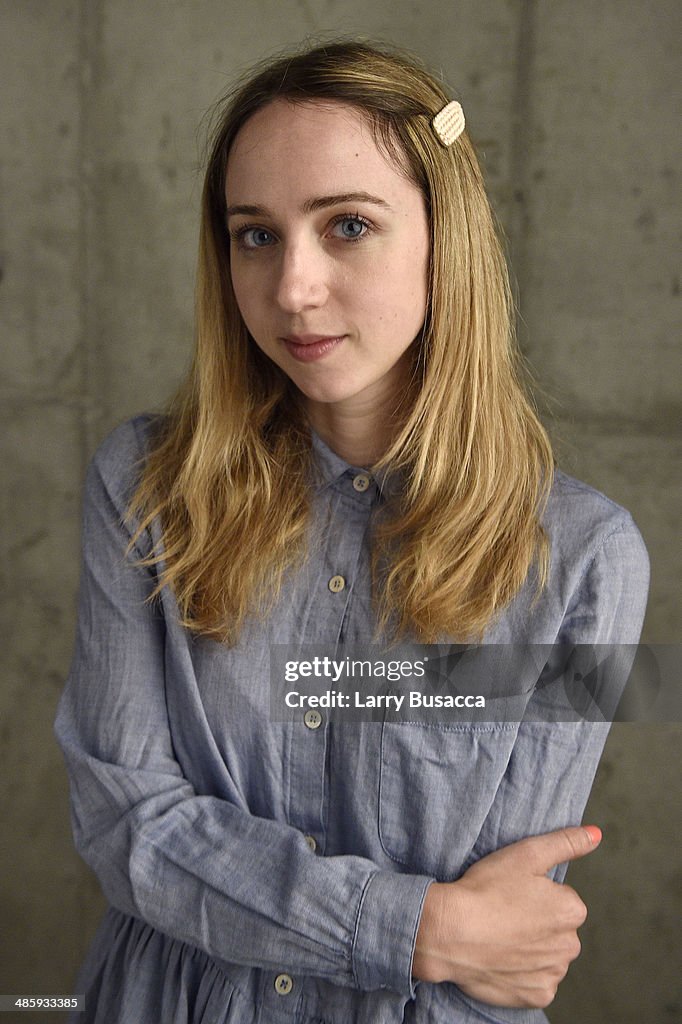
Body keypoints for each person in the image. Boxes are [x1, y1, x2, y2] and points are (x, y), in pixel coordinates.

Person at [55, 39, 650, 1024]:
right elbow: (128, 823)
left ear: (440, 237)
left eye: (346, 225)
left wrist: (448, 935)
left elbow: (503, 936)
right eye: (255, 234)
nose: (292, 287)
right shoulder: (143, 486)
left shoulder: (586, 562)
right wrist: (414, 928)